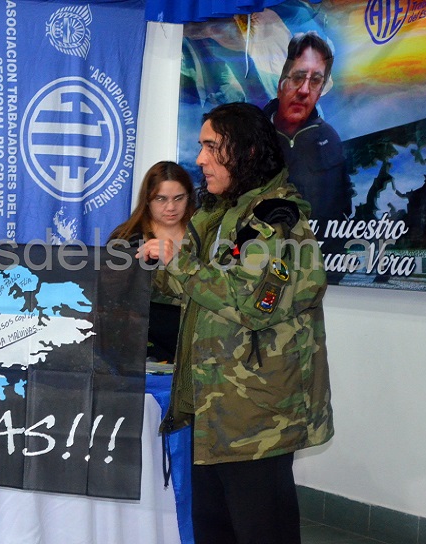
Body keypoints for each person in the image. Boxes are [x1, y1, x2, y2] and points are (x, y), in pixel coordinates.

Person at [143, 102, 334, 544]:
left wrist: (178, 263)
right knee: (215, 531)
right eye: (201, 146)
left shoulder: (277, 224)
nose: (201, 159)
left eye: (211, 147)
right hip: (214, 410)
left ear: (245, 152)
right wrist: (138, 276)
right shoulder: (218, 216)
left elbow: (251, 304)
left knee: (260, 532)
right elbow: (192, 291)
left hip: (257, 418)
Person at [262, 30, 353, 223]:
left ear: (320, 91)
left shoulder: (330, 139)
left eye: (315, 81)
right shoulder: (253, 135)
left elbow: (342, 209)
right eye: (298, 77)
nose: (304, 90)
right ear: (281, 83)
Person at [110, 160, 195, 363]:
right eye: (161, 199)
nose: (171, 207)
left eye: (178, 198)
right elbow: (113, 302)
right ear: (147, 200)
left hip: (195, 346)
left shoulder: (205, 236)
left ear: (189, 197)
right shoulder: (126, 239)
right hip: (141, 350)